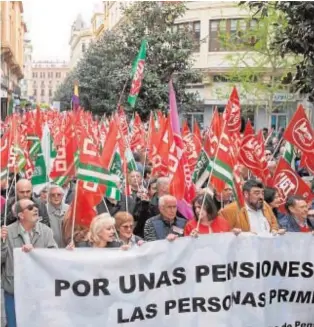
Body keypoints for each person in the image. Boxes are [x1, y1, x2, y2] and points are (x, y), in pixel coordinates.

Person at [1, 199, 57, 327]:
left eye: (36, 206)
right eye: (30, 207)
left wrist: (35, 252)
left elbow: (54, 259)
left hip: (39, 293)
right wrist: (1, 242)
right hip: (14, 292)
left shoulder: (46, 231)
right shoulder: (7, 232)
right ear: (20, 215)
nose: (36, 209)